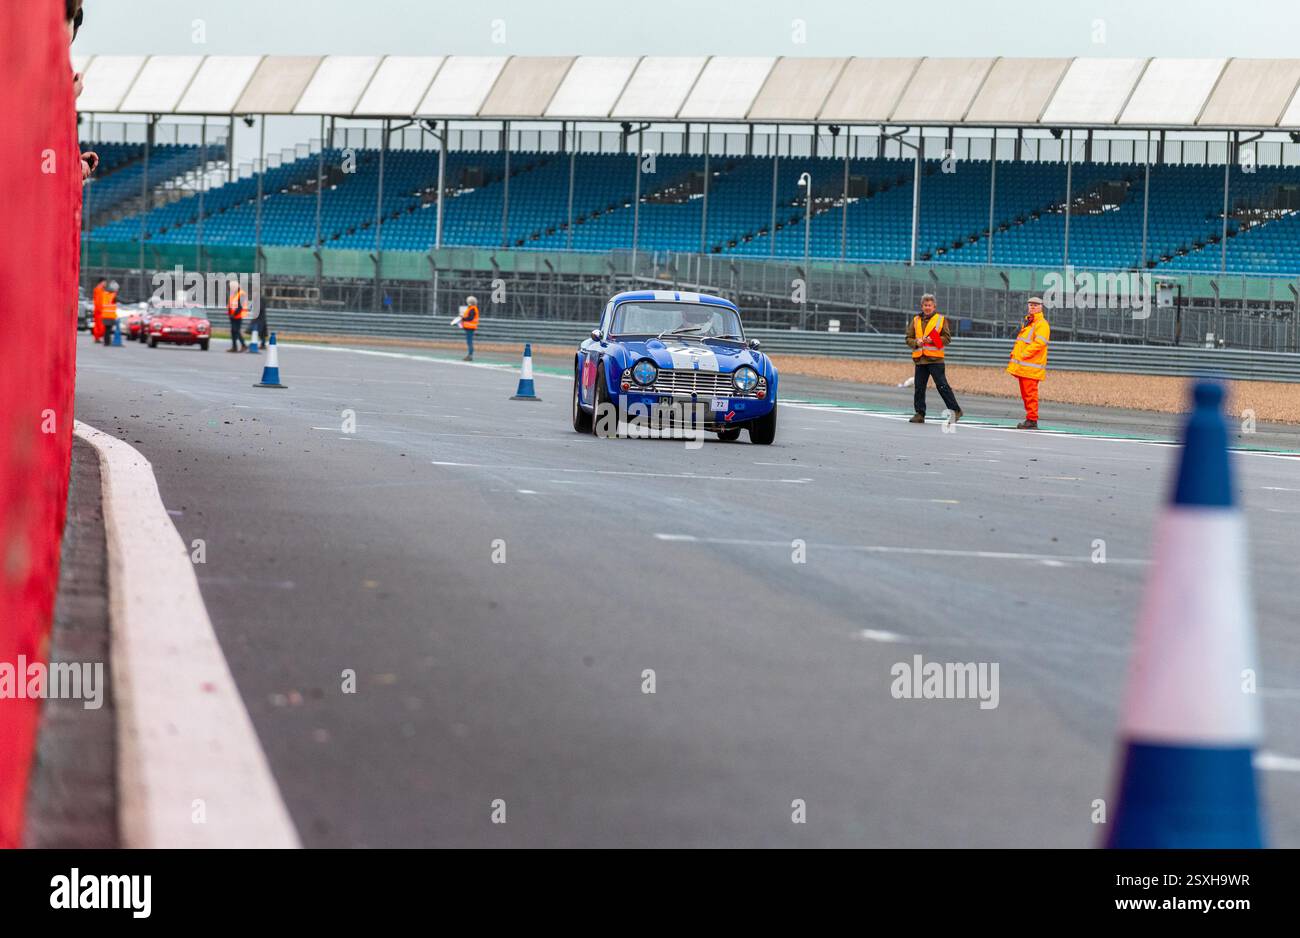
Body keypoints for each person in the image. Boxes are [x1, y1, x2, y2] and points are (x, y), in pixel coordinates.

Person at [905, 293, 962, 424]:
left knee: (942, 386)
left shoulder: (940, 320)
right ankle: (919, 413)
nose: (927, 307)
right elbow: (908, 338)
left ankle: (956, 410)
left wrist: (933, 339)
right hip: (920, 359)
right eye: (925, 305)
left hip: (935, 360)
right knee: (919, 387)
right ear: (922, 306)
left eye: (930, 305)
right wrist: (916, 343)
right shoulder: (915, 320)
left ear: (934, 306)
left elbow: (947, 339)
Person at [1007, 296, 1051, 429]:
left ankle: (1032, 420)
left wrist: (1024, 354)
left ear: (1041, 307)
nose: (1032, 307)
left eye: (1035, 305)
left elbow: (1040, 343)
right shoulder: (1029, 323)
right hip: (1025, 366)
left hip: (1031, 366)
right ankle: (1030, 419)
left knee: (1030, 395)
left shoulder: (1041, 324)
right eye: (1030, 305)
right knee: (1027, 395)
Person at [227, 278, 248, 352]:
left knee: (236, 331)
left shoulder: (241, 293)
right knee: (233, 331)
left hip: (238, 316)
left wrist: (234, 314)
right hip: (232, 316)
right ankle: (234, 347)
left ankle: (243, 345)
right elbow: (231, 304)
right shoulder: (233, 294)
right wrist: (229, 313)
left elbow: (240, 306)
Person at [458, 295, 479, 361]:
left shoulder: (472, 308)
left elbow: (470, 318)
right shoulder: (471, 308)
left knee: (469, 341)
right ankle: (470, 355)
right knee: (469, 341)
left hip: (470, 327)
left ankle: (470, 355)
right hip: (469, 327)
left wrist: (463, 318)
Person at [100, 280, 119, 346]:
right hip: (110, 316)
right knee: (108, 330)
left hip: (104, 315)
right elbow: (123, 300)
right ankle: (107, 342)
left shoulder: (105, 294)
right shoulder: (113, 296)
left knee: (106, 329)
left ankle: (106, 341)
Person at [91, 277, 106, 341]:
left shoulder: (100, 289)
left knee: (98, 325)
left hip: (99, 310)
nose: (105, 284)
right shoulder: (99, 289)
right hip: (99, 310)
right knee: (100, 325)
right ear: (101, 282)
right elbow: (98, 301)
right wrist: (100, 309)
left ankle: (97, 337)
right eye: (105, 282)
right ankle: (97, 337)